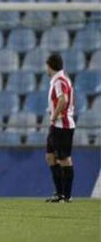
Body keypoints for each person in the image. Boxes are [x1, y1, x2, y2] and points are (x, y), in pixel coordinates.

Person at [45, 54, 75, 203]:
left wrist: (54, 115)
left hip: (62, 125)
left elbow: (63, 100)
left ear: (50, 65)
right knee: (50, 156)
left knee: (64, 159)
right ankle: (59, 193)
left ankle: (66, 195)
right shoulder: (60, 80)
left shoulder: (59, 81)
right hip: (56, 126)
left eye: (47, 66)